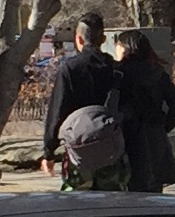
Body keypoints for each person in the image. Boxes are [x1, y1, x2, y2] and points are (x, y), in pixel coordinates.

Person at [41, 11, 125, 187]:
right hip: (112, 148)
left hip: (78, 149)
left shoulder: (70, 69)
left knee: (78, 202)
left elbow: (57, 112)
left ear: (78, 39)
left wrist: (49, 151)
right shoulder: (116, 69)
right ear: (103, 39)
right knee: (113, 202)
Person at [114, 30, 175, 193]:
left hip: (126, 137)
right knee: (153, 190)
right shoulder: (157, 72)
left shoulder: (119, 73)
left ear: (124, 48)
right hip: (154, 136)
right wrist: (163, 126)